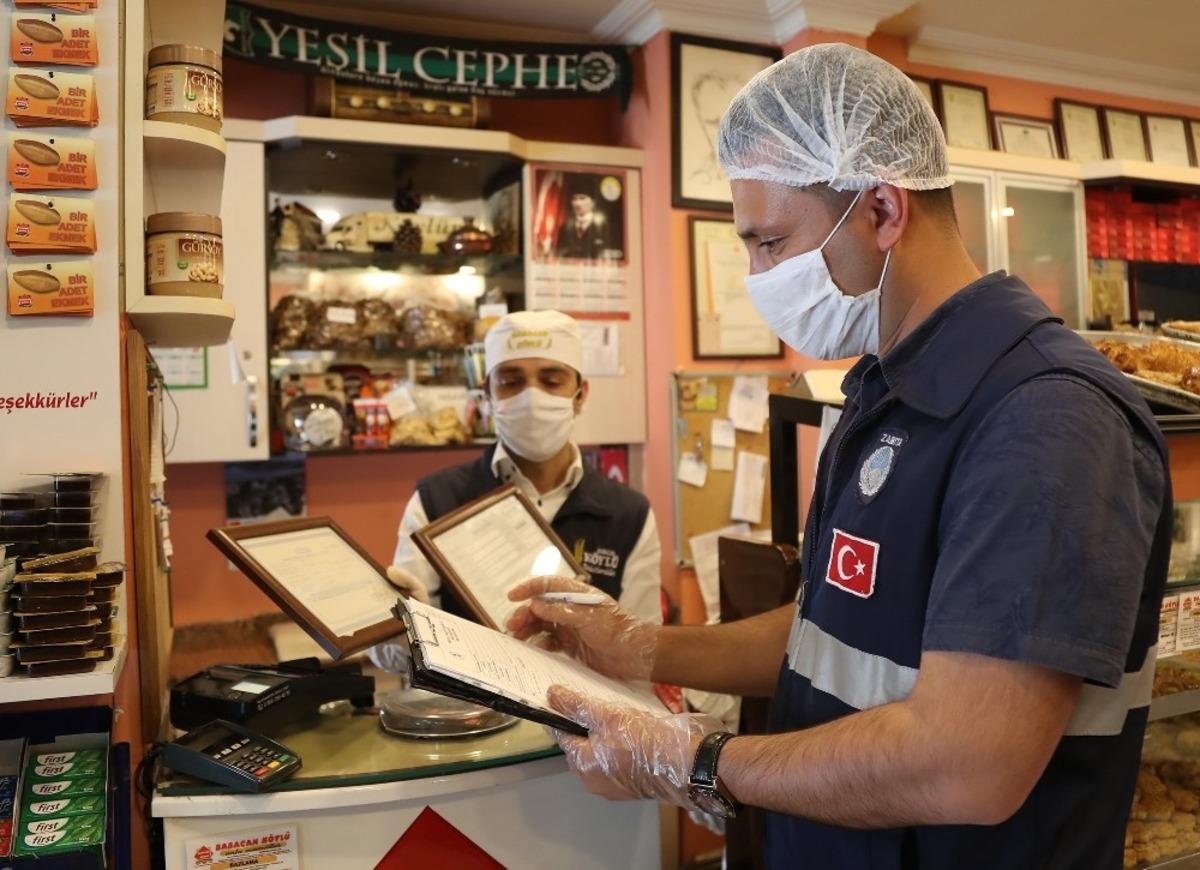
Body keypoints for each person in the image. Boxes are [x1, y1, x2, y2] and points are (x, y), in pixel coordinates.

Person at [506, 44, 1170, 869]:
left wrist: (691, 761)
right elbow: (835, 627)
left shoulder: (1047, 418)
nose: (756, 277)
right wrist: (641, 645)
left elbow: (969, 763)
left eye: (770, 242)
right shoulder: (879, 392)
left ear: (884, 211)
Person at [370, 310, 662, 672]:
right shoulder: (435, 501)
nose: (531, 397)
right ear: (487, 396)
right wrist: (402, 629)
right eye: (511, 381)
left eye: (551, 381)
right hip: (472, 720)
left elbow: (644, 651)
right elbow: (394, 659)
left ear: (580, 394)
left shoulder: (628, 514)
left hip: (588, 722)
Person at [555, 186, 611, 260]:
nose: (577, 203)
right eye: (574, 199)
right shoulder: (565, 227)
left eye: (582, 198)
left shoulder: (603, 227)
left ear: (593, 202)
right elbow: (559, 254)